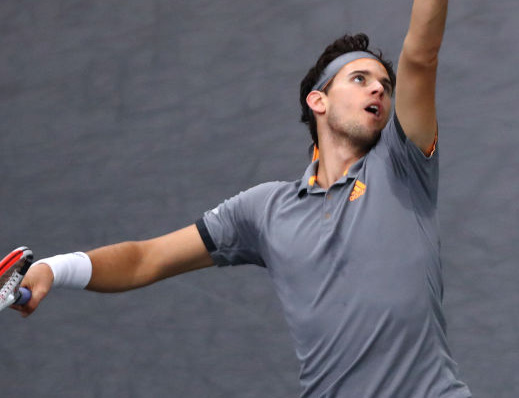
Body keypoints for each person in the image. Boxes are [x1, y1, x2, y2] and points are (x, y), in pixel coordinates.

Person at [15, 0, 472, 396]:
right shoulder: (263, 211)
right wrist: (56, 269)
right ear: (319, 101)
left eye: (385, 86)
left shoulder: (402, 164)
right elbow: (146, 258)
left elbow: (422, 55)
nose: (379, 89)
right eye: (359, 79)